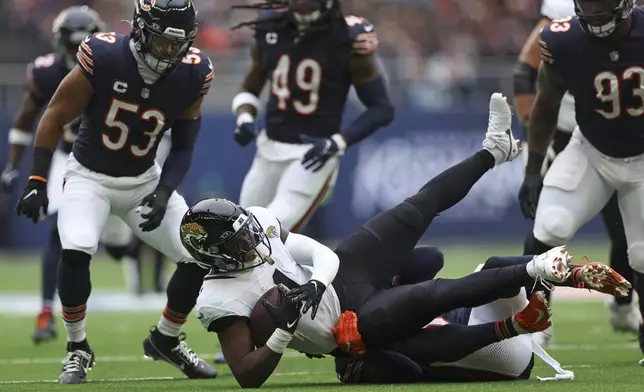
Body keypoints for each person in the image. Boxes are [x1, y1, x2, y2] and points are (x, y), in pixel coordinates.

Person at [184, 93, 629, 388]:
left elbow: (313, 251)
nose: (253, 242)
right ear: (216, 256)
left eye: (248, 232)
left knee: (415, 209)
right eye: (240, 243)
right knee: (432, 296)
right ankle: (537, 270)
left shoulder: (259, 225)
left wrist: (316, 284)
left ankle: (492, 151)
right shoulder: (220, 299)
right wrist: (282, 330)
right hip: (350, 327)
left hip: (341, 279)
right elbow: (246, 376)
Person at [15, 0, 216, 384]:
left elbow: (185, 146)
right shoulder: (105, 54)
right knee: (76, 247)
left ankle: (167, 339)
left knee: (199, 252)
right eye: (161, 42)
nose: (169, 52)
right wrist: (38, 180)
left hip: (143, 180)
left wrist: (164, 192)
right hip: (89, 177)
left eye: (178, 44)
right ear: (140, 30)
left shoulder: (194, 72)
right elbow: (54, 115)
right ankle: (78, 349)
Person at [0, 5, 150, 345]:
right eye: (71, 47)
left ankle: (129, 251)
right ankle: (45, 311)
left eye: (83, 45)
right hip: (68, 159)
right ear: (59, 45)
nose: (76, 53)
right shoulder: (47, 73)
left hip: (113, 162)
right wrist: (14, 165)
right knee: (60, 233)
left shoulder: (115, 66)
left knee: (114, 246)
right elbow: (26, 120)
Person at [517, 0, 644, 361]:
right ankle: (535, 320)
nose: (594, 10)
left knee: (642, 254)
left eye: (602, 2)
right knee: (551, 225)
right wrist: (532, 171)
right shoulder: (563, 39)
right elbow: (546, 104)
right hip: (590, 150)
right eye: (587, 2)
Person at [231, 0, 394, 232]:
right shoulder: (269, 26)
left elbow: (382, 108)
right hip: (268, 149)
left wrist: (337, 142)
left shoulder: (347, 37)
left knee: (268, 229)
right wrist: (244, 118)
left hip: (313, 154)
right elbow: (250, 88)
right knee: (241, 228)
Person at [334, 252, 583, 383]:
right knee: (417, 342)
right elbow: (410, 371)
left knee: (496, 266)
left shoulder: (368, 293)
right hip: (490, 350)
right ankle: (514, 325)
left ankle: (577, 275)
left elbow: (431, 257)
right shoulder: (348, 351)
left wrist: (388, 273)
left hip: (475, 316)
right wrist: (367, 351)